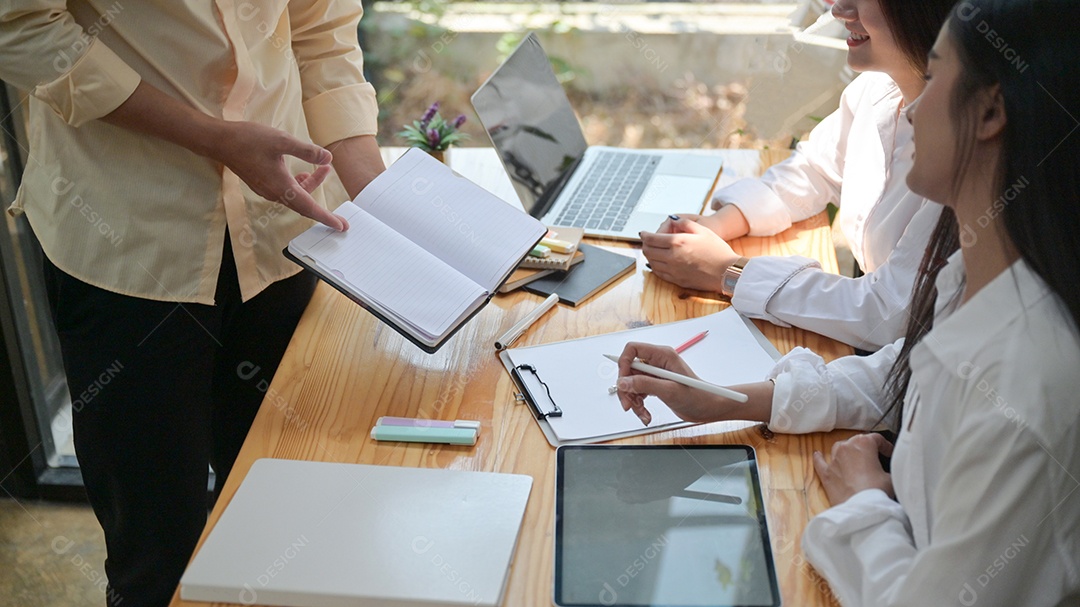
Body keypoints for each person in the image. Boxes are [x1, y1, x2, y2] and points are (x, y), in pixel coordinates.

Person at [616, 0, 1080, 603]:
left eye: (934, 78)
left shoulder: (1027, 379)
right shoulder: (972, 273)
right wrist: (719, 399)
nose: (909, 108)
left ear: (990, 111)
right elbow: (897, 372)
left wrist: (864, 505)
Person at [0, 1, 384, 605]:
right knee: (156, 551)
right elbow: (20, 27)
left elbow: (319, 29)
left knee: (285, 513)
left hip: (282, 231)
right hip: (129, 245)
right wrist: (212, 138)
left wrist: (379, 195)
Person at [641, 0, 956, 351]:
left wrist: (728, 272)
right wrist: (722, 223)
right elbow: (817, 168)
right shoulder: (877, 90)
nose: (839, 10)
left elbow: (889, 313)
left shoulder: (964, 149)